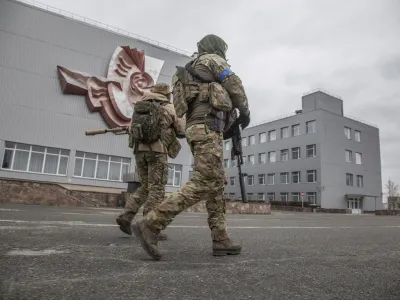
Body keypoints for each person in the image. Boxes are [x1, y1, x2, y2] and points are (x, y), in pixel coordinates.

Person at [132, 34, 251, 260]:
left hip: (197, 128)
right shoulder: (213, 60)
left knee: (215, 183)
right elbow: (234, 84)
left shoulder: (190, 69)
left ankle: (221, 239)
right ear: (216, 47)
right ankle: (152, 223)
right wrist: (244, 111)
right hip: (207, 127)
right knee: (205, 181)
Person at [116, 83, 185, 241]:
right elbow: (181, 130)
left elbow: (132, 128)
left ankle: (126, 216)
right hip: (157, 152)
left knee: (145, 186)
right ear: (167, 94)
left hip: (139, 152)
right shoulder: (168, 107)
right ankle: (149, 226)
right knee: (157, 189)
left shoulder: (140, 107)